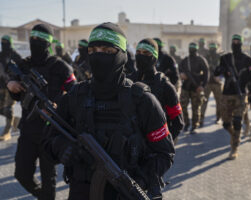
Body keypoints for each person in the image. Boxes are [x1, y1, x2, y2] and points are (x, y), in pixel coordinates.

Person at [43, 22, 175, 200]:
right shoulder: (74, 97)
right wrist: (62, 148)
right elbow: (48, 141)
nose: (98, 56)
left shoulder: (143, 101)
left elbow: (164, 154)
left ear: (122, 55)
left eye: (107, 50)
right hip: (80, 192)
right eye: (93, 50)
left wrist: (140, 181)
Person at [6, 24, 76, 200]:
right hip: (28, 130)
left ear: (49, 42)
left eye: (40, 39)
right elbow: (15, 92)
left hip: (50, 132)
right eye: (33, 38)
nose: (35, 42)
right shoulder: (23, 65)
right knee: (22, 175)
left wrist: (57, 106)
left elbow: (75, 95)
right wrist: (11, 86)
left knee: (49, 180)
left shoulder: (61, 67)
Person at [214, 34, 251, 160]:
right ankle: (235, 136)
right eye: (234, 41)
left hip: (241, 94)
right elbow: (216, 73)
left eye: (238, 41)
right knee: (226, 124)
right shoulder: (226, 58)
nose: (235, 43)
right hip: (226, 94)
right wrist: (221, 68)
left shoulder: (248, 60)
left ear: (241, 43)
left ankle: (234, 147)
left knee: (237, 122)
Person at [135, 38, 184, 143]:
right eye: (138, 52)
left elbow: (178, 123)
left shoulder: (165, 86)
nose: (140, 56)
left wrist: (164, 142)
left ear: (154, 57)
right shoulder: (129, 80)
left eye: (146, 53)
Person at [179, 42, 209, 134]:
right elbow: (179, 69)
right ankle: (186, 124)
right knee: (183, 106)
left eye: (193, 48)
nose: (191, 50)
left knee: (196, 107)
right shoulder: (185, 60)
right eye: (190, 48)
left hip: (196, 88)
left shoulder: (201, 60)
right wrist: (181, 74)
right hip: (186, 87)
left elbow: (206, 73)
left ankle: (194, 125)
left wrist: (202, 86)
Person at [0, 35, 22, 141]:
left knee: (8, 109)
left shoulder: (15, 55)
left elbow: (22, 69)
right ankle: (17, 122)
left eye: (5, 42)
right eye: (2, 42)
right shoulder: (0, 55)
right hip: (1, 86)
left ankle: (7, 132)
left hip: (11, 87)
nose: (3, 44)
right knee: (1, 110)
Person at [200, 42, 222, 126]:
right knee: (203, 101)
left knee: (219, 102)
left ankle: (218, 118)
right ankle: (201, 119)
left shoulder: (219, 57)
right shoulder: (206, 57)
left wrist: (220, 77)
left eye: (213, 48)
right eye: (211, 48)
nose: (212, 50)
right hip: (207, 83)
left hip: (217, 83)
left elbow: (223, 68)